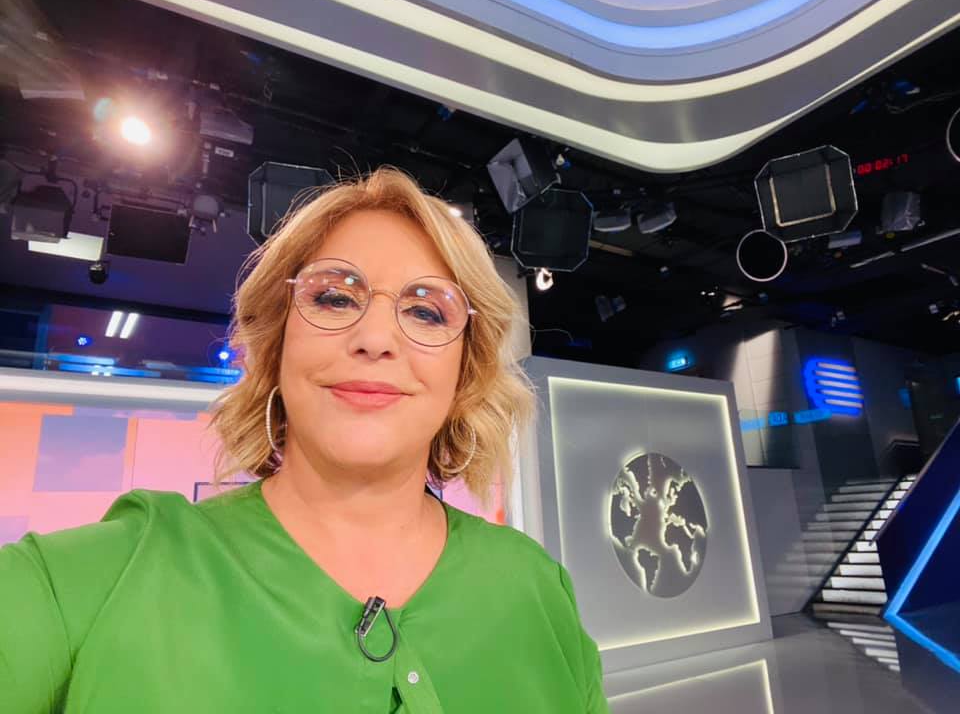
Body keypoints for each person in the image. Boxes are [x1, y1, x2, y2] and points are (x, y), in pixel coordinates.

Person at [0, 167, 609, 713]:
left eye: (427, 311)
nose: (376, 339)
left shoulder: (537, 588)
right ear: (275, 344)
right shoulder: (80, 584)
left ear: (465, 369)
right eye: (334, 297)